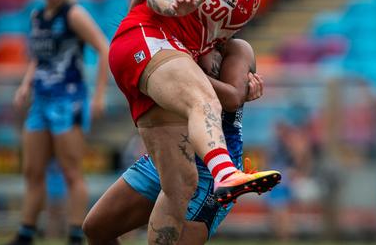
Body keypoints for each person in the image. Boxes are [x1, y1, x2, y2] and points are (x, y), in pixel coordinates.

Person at [107, 0, 301, 243]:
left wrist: (239, 87)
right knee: (203, 97)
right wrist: (173, 5)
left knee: (174, 187)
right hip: (148, 41)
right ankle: (226, 172)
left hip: (161, 62)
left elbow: (208, 54)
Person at [83, 37, 263, 244]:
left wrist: (170, 70)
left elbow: (232, 98)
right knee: (97, 228)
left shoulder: (236, 48)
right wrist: (165, 70)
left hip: (208, 172)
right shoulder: (168, 38)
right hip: (166, 154)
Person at [8, 0, 110, 245]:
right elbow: (39, 58)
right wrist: (26, 84)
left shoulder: (74, 14)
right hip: (40, 102)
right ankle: (26, 232)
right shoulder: (37, 16)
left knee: (70, 170)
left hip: (69, 101)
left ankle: (76, 234)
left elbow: (103, 48)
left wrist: (98, 95)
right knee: (32, 170)